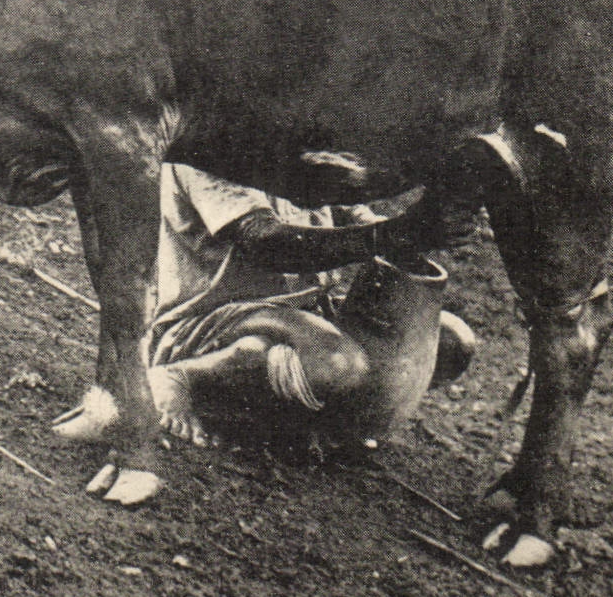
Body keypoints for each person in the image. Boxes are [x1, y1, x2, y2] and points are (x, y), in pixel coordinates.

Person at [145, 163, 479, 449]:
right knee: (336, 362)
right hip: (210, 323)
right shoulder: (207, 150)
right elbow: (268, 243)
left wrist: (427, 224)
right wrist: (395, 233)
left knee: (450, 341)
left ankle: (295, 410)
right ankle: (180, 378)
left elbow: (363, 222)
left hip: (304, 316)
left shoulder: (301, 147)